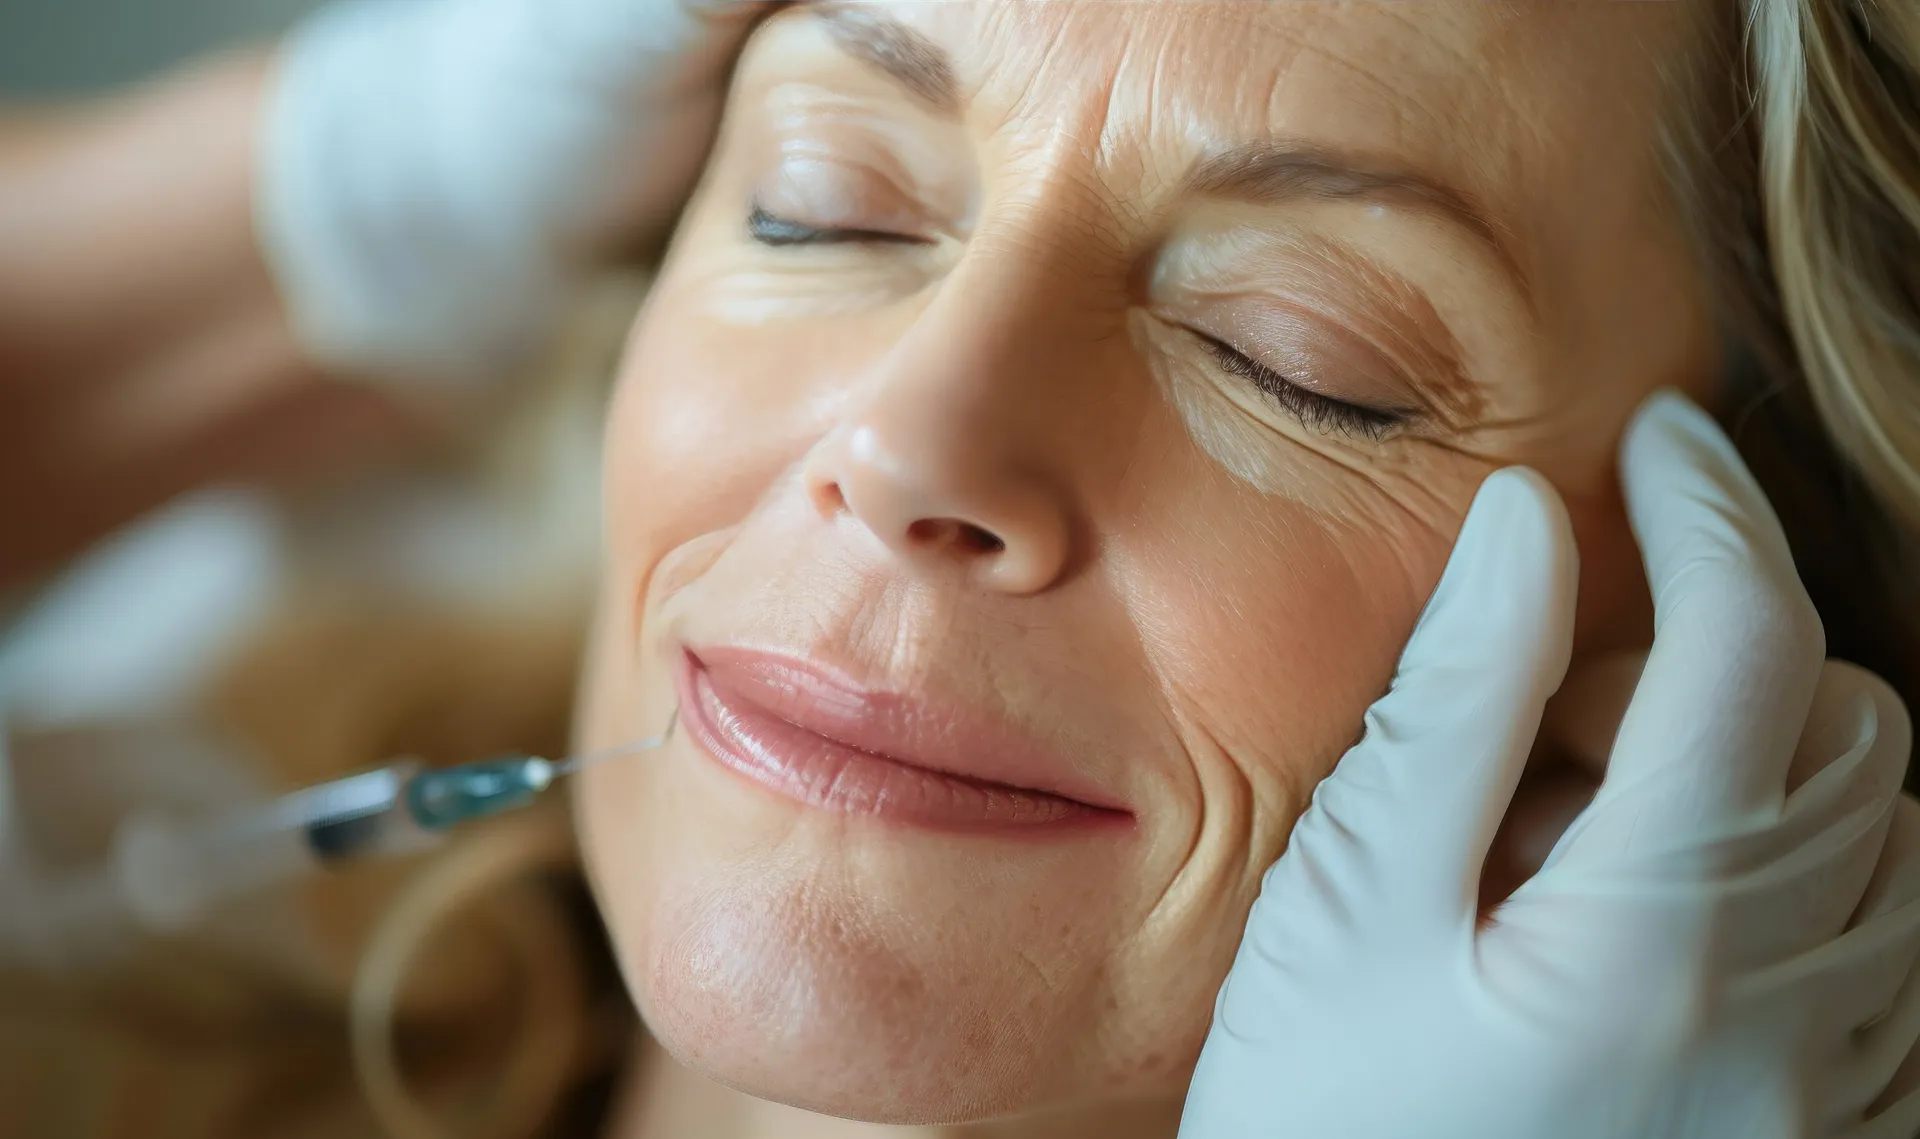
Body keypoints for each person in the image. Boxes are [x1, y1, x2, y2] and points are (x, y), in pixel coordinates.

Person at [2, 3, 1919, 1139]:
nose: (912, 443)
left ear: (1717, 643)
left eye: (1290, 355)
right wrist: (346, 179)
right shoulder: (138, 785)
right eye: (827, 203)